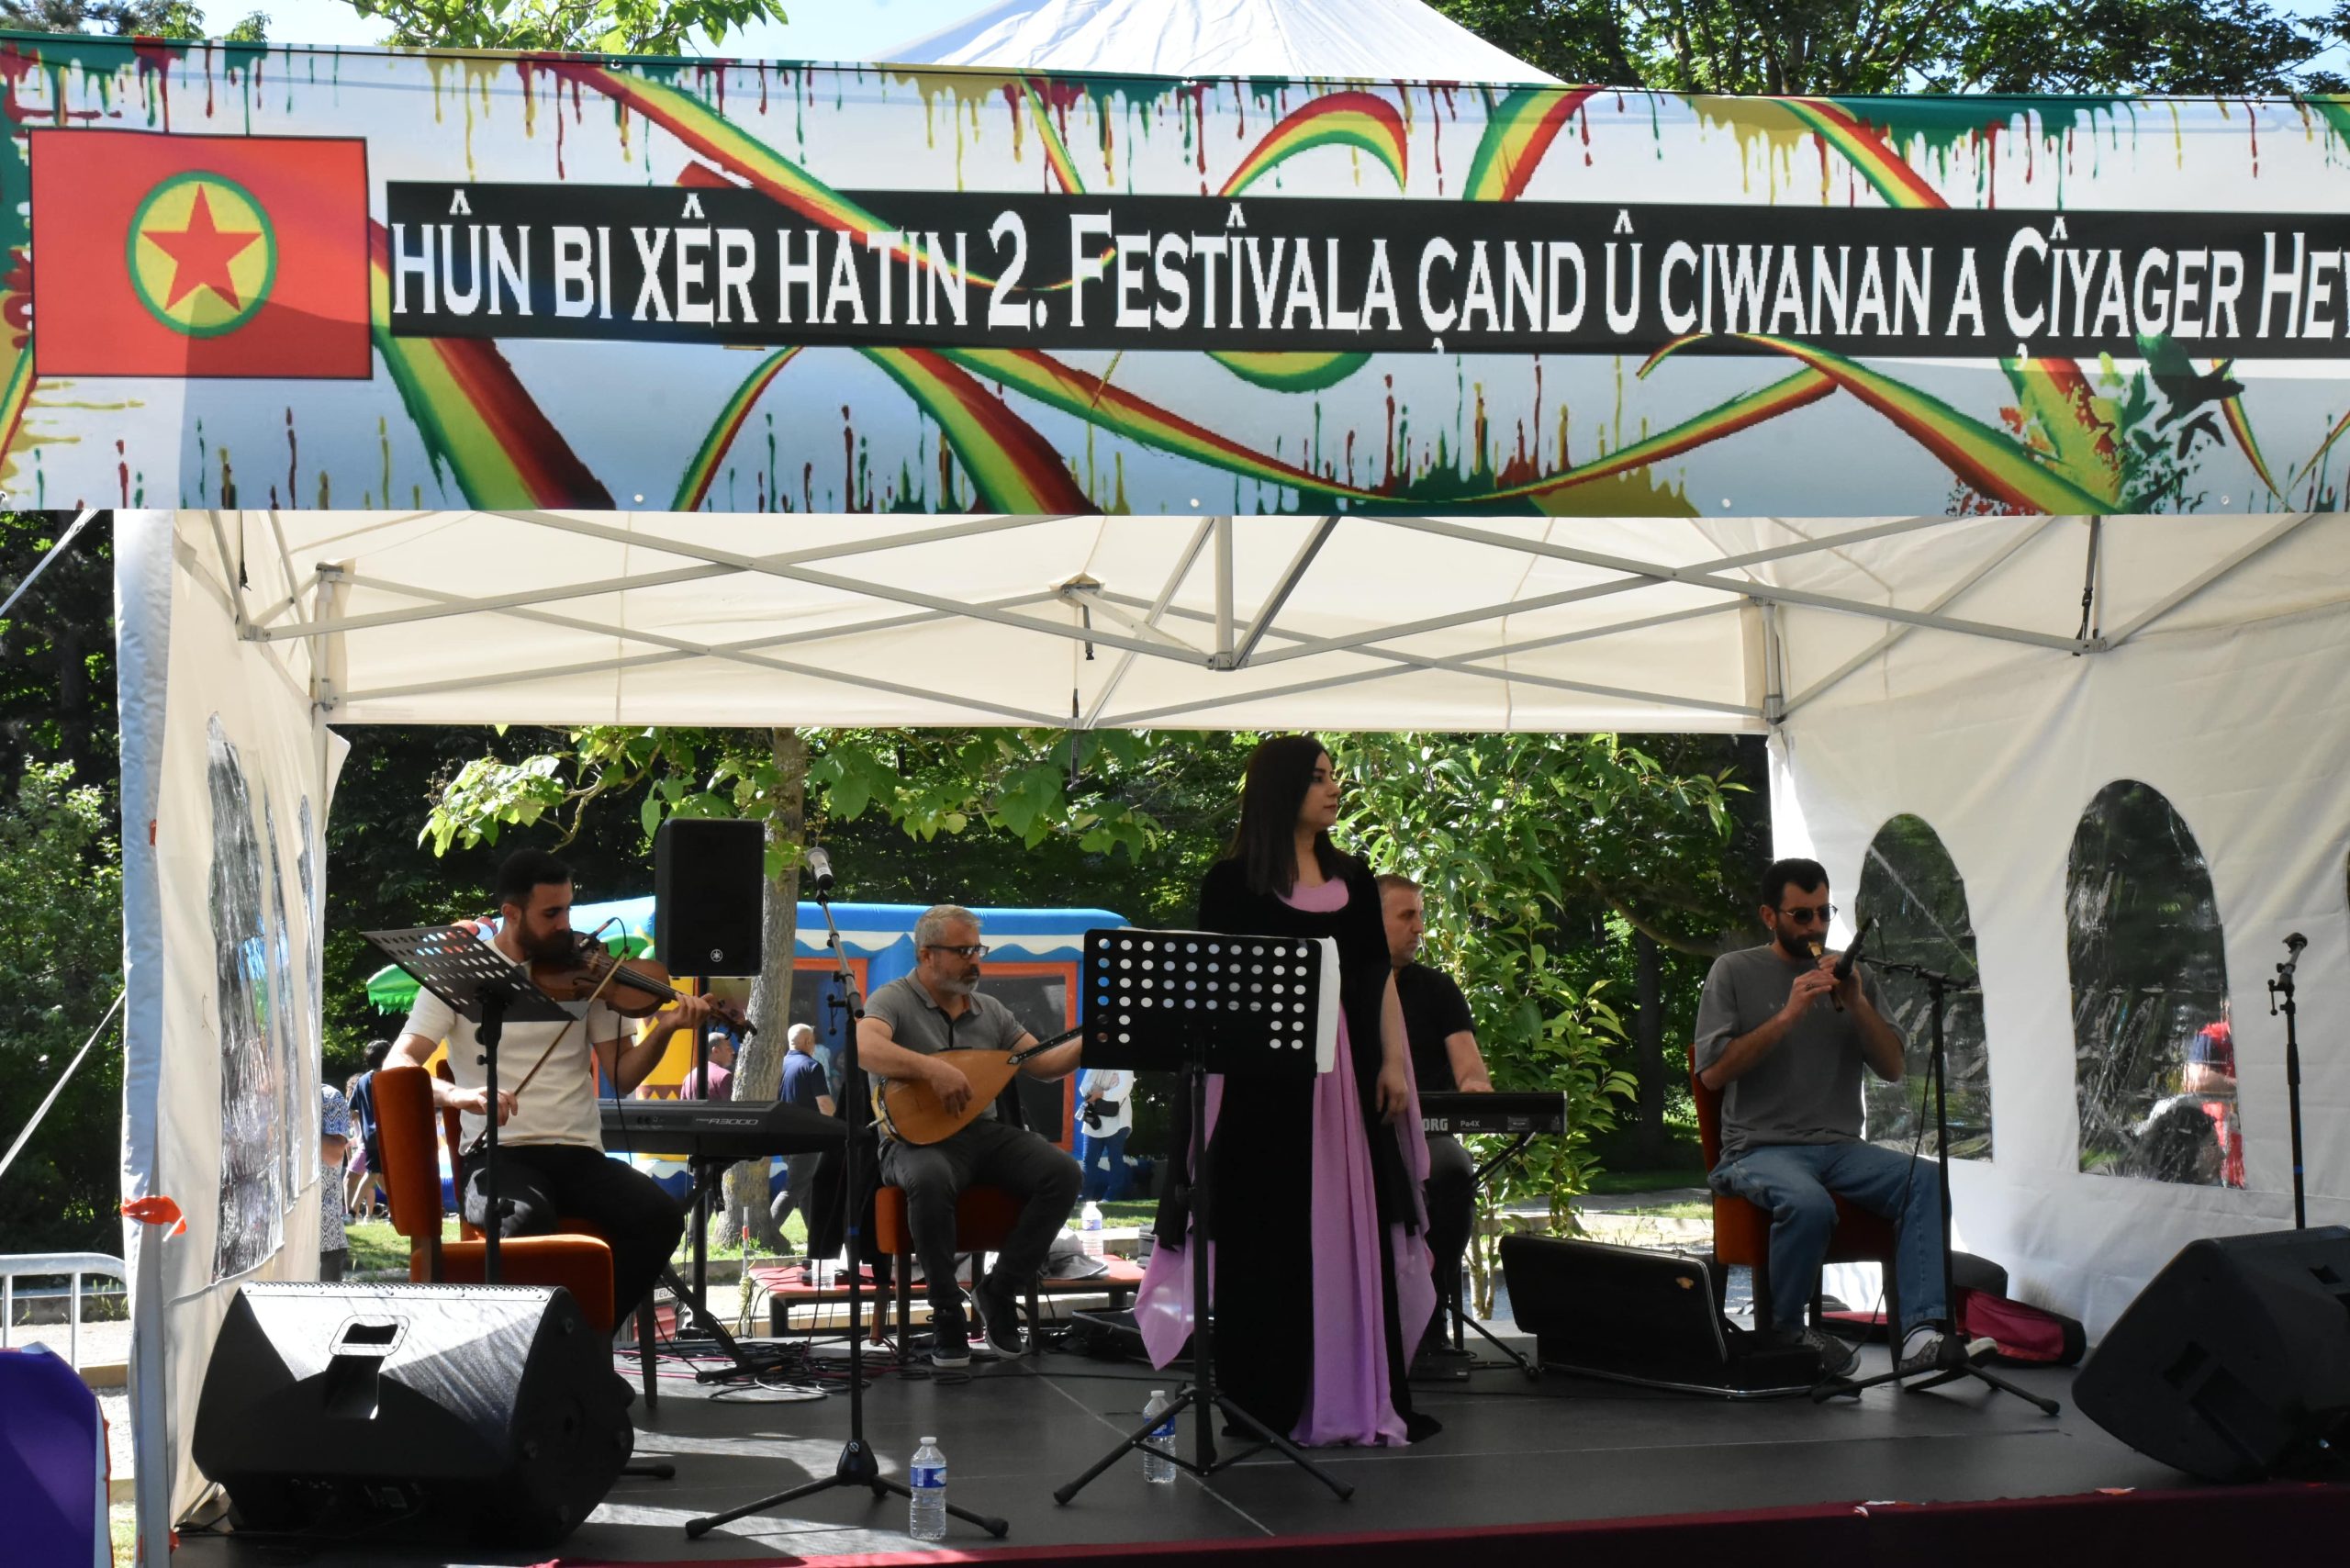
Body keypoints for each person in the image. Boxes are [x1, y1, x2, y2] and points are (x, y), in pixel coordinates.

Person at [1139, 734, 1438, 1446]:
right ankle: (1265, 1400)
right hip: (1258, 1088)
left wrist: (1394, 1064)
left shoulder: (1355, 878)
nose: (1333, 789)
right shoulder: (1230, 882)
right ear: (1281, 790)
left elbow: (1377, 981)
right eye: (1318, 778)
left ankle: (1354, 1394)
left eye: (1334, 776)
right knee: (1263, 1240)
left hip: (1345, 1081)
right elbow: (1214, 989)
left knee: (1351, 1232)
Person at [388, 847, 699, 1323]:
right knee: (526, 1223)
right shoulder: (459, 976)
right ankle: (550, 1352)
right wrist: (459, 1096)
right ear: (511, 913)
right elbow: (398, 1063)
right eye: (551, 914)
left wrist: (667, 1028)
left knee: (660, 1218)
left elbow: (623, 1075)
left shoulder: (589, 976)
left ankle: (586, 1341)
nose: (565, 925)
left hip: (579, 1156)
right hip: (499, 1154)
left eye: (568, 910)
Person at [1695, 857, 1948, 1379]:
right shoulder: (1734, 971)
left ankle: (1922, 1333)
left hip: (1840, 1147)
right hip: (1757, 1149)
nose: (1815, 927)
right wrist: (1788, 1014)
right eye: (1801, 915)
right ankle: (1787, 1332)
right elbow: (1713, 1073)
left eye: (1824, 913)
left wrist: (1857, 1004)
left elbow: (1893, 1068)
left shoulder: (1855, 975)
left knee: (1924, 1179)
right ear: (1770, 915)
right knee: (1809, 1204)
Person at [862, 905, 1083, 1367]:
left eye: (977, 950)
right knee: (930, 1177)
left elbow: (1043, 1065)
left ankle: (999, 1290)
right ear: (926, 954)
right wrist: (932, 1069)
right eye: (963, 951)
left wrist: (1098, 1037)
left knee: (1063, 1172)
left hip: (984, 1134)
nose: (975, 960)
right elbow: (865, 1046)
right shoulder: (893, 998)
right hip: (913, 1141)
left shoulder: (991, 1011)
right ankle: (945, 1312)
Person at [1378, 873, 1493, 1358]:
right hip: (1359, 1134)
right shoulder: (1341, 987)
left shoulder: (1438, 989)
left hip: (1428, 1133)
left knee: (1452, 1172)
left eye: (1421, 915)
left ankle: (1433, 1313)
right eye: (1407, 916)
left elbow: (1470, 1071)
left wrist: (1475, 1089)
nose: (1419, 928)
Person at [769, 1024, 837, 1242]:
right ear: (809, 1041)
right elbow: (825, 1104)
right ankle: (767, 1231)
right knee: (794, 1188)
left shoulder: (780, 1065)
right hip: (807, 1137)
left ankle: (815, 1235)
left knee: (806, 1186)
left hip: (784, 1137)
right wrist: (838, 1125)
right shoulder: (812, 1066)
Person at [344, 1038, 393, 1221]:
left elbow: (352, 1110)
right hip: (385, 1134)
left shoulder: (363, 1081)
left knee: (382, 1177)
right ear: (386, 1058)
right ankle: (352, 1212)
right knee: (373, 1173)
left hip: (369, 1136)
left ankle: (396, 1211)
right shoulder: (387, 1078)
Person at [1075, 1066, 1133, 1201]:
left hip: (1118, 1121)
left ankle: (1112, 1195)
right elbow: (1083, 1087)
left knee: (1115, 1159)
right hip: (1095, 1118)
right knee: (1089, 1160)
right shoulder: (1094, 1065)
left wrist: (1100, 1093)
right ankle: (1085, 1195)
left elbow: (1123, 1089)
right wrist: (1101, 1089)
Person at [319, 1084, 352, 1282]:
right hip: (279, 1241)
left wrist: (298, 1120)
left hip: (324, 1239)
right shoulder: (270, 1097)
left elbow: (334, 1154)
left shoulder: (329, 1098)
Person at [676, 1025, 736, 1101]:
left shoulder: (688, 1078)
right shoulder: (724, 1076)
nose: (733, 1052)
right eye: (729, 1048)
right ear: (715, 1051)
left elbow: (683, 1106)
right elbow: (732, 1106)